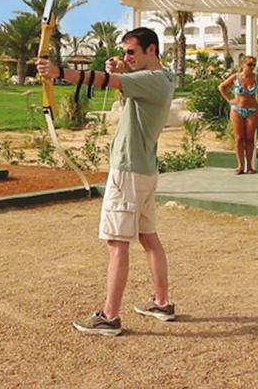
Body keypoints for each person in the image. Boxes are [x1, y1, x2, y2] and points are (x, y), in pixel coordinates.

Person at [37, 27, 175, 337]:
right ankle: (162, 302)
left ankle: (109, 316)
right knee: (148, 237)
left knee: (116, 243)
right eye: (125, 52)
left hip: (128, 172)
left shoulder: (151, 80)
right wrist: (125, 68)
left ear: (151, 50)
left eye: (132, 52)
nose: (126, 57)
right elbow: (124, 83)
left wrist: (57, 72)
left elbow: (101, 80)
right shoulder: (161, 79)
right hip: (143, 171)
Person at [218, 56, 258, 174]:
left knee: (250, 138)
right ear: (243, 65)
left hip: (252, 110)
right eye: (249, 64)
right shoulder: (235, 77)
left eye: (254, 65)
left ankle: (250, 166)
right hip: (237, 109)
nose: (252, 67)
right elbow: (221, 87)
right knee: (239, 138)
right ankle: (240, 165)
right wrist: (229, 100)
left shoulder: (256, 78)